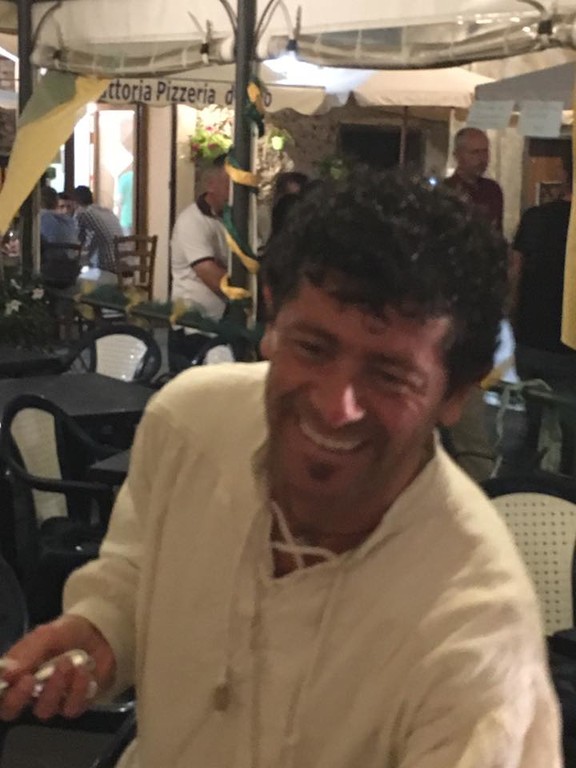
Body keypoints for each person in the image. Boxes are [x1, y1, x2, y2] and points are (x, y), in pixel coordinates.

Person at [0, 170, 561, 768]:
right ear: (272, 319)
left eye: (389, 375)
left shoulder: (476, 633)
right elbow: (137, 573)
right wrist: (102, 632)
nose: (335, 405)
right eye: (313, 348)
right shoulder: (191, 427)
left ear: (457, 394)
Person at [510, 152, 576, 469]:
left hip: (530, 336)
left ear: (563, 173)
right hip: (569, 345)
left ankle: (524, 483)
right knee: (571, 432)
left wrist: (511, 321)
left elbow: (514, 274)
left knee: (530, 425)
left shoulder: (535, 218)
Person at [168, 153, 231, 370]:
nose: (235, 191)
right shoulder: (192, 221)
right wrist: (250, 295)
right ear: (211, 184)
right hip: (194, 328)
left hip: (223, 325)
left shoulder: (234, 218)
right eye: (230, 183)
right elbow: (211, 275)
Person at [445, 126, 504, 232]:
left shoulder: (492, 190)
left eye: (485, 151)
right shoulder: (445, 191)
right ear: (457, 155)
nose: (482, 158)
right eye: (475, 152)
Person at [72, 185, 124, 273]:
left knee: (78, 269)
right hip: (125, 261)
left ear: (75, 203)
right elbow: (97, 238)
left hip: (109, 264)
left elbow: (77, 240)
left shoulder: (82, 213)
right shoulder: (107, 211)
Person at [39, 186, 80, 288]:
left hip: (50, 272)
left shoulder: (39, 218)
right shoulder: (69, 221)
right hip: (71, 271)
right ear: (56, 203)